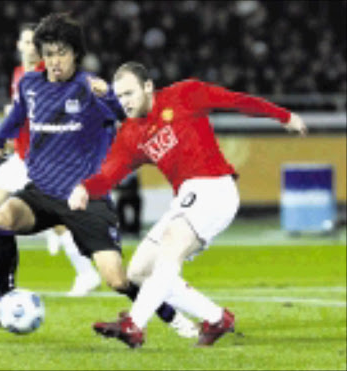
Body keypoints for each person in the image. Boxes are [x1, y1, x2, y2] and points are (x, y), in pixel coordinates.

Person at [0, 14, 196, 337]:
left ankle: (171, 315)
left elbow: (132, 115)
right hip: (42, 193)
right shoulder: (30, 84)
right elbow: (17, 116)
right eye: (48, 54)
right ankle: (5, 301)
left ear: (76, 53)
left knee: (118, 280)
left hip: (85, 199)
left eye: (61, 53)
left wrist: (109, 96)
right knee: (4, 217)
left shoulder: (90, 88)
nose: (54, 61)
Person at [68, 61, 307, 348]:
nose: (124, 102)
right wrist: (84, 188)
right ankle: (217, 318)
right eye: (119, 96)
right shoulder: (131, 134)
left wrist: (284, 116)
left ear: (147, 87)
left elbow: (236, 101)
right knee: (138, 272)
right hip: (187, 198)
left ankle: (134, 324)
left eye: (129, 93)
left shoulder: (185, 94)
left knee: (172, 244)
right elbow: (109, 174)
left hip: (215, 186)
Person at [0, 22, 101, 297]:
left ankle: (86, 273)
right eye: (26, 42)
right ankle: (50, 231)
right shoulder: (18, 74)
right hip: (20, 156)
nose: (31, 47)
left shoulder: (44, 75)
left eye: (35, 43)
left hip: (41, 158)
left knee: (47, 213)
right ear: (18, 46)